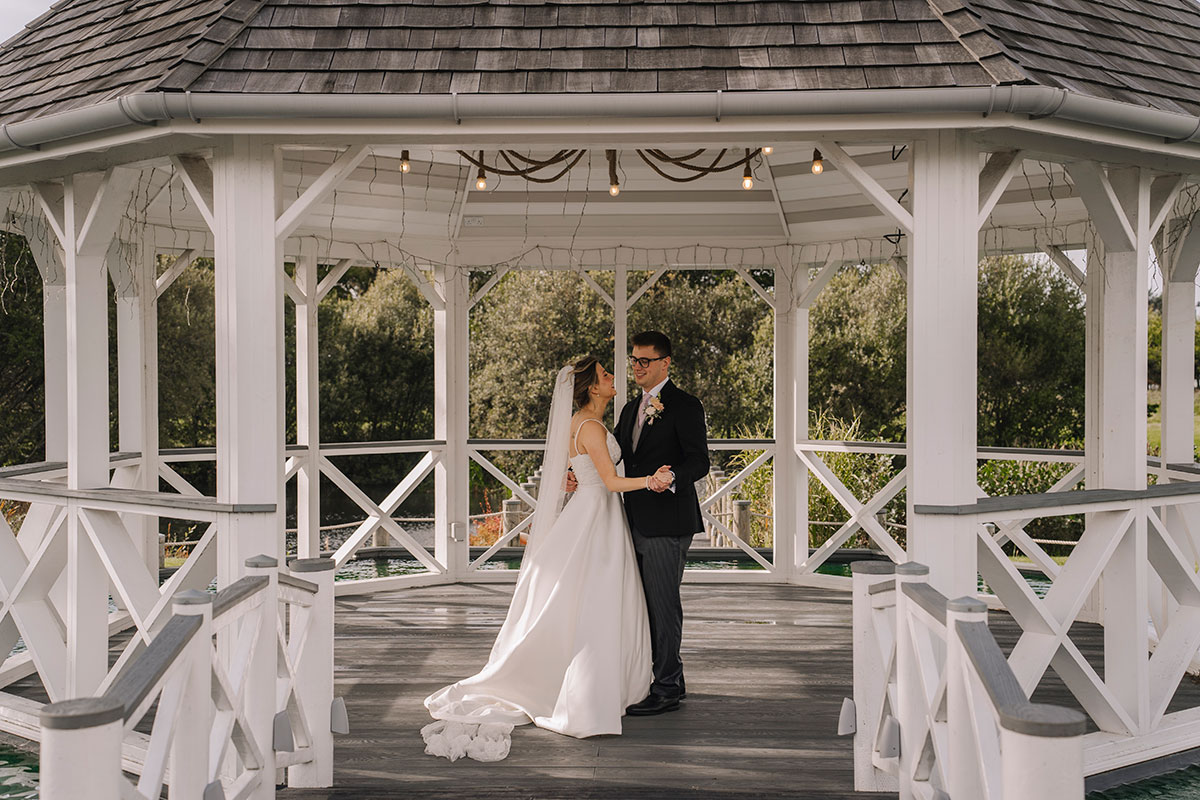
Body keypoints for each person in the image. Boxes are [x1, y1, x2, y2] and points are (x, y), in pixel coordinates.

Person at [422, 357, 674, 761]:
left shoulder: (577, 423)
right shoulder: (591, 427)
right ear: (593, 387)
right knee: (596, 599)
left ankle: (600, 680)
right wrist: (652, 480)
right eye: (606, 376)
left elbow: (565, 471)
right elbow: (609, 482)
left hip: (589, 512)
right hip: (597, 516)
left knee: (577, 598)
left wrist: (572, 477)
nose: (613, 380)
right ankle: (593, 689)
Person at [615, 331, 709, 716]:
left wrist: (671, 479)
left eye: (644, 361)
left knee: (663, 605)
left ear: (665, 363)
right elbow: (620, 457)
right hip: (632, 519)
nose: (637, 367)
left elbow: (698, 460)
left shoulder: (686, 405)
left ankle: (667, 686)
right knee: (646, 604)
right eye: (633, 361)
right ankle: (673, 676)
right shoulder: (628, 410)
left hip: (668, 521)